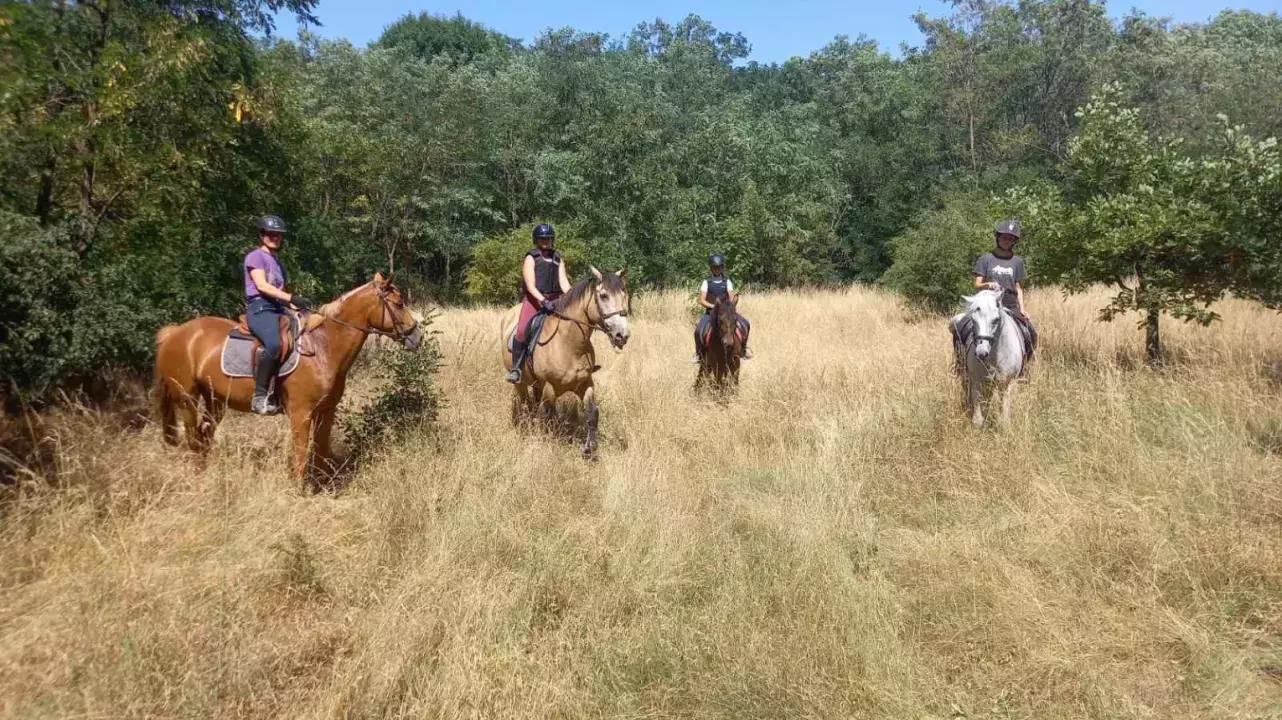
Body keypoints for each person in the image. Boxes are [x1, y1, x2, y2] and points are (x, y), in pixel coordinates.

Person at [244, 214, 313, 415]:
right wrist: (291, 297)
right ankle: (259, 395)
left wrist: (297, 307)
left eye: (278, 234)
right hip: (260, 308)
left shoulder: (278, 263)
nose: (274, 237)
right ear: (262, 234)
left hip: (278, 308)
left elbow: (280, 293)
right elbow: (262, 286)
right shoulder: (255, 256)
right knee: (274, 343)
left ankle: (285, 390)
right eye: (270, 233)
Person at [953, 219, 1037, 368]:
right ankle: (960, 364)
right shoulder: (986, 259)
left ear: (1014, 242)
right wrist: (987, 284)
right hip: (988, 305)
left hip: (1010, 304)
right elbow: (977, 284)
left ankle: (1024, 368)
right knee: (961, 327)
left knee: (1031, 332)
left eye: (1010, 239)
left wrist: (1022, 309)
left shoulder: (1017, 262)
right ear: (998, 237)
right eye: (1004, 237)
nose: (1006, 241)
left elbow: (1019, 288)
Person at [507, 223, 572, 384]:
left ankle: (583, 362)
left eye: (548, 238)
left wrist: (572, 298)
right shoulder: (531, 257)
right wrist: (542, 301)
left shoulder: (557, 258)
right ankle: (516, 368)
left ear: (552, 239)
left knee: (576, 325)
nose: (545, 241)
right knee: (522, 331)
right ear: (536, 239)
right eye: (542, 239)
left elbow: (564, 283)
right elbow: (530, 285)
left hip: (556, 300)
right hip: (535, 301)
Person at [691, 253, 753, 363]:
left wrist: (728, 306)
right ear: (711, 268)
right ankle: (699, 353)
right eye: (715, 267)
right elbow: (702, 300)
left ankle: (743, 350)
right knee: (698, 329)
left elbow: (731, 297)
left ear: (722, 268)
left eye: (719, 267)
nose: (717, 269)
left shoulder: (727, 282)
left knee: (745, 324)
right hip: (711, 313)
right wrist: (714, 306)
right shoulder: (706, 282)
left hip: (727, 312)